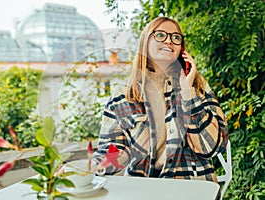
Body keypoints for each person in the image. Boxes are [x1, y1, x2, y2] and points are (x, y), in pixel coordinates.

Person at [92, 16, 228, 182]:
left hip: (193, 186)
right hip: (143, 188)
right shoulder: (123, 94)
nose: (169, 41)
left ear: (181, 49)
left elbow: (211, 148)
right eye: (161, 35)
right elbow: (114, 149)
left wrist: (187, 93)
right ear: (145, 42)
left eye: (176, 37)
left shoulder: (197, 86)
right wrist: (93, 166)